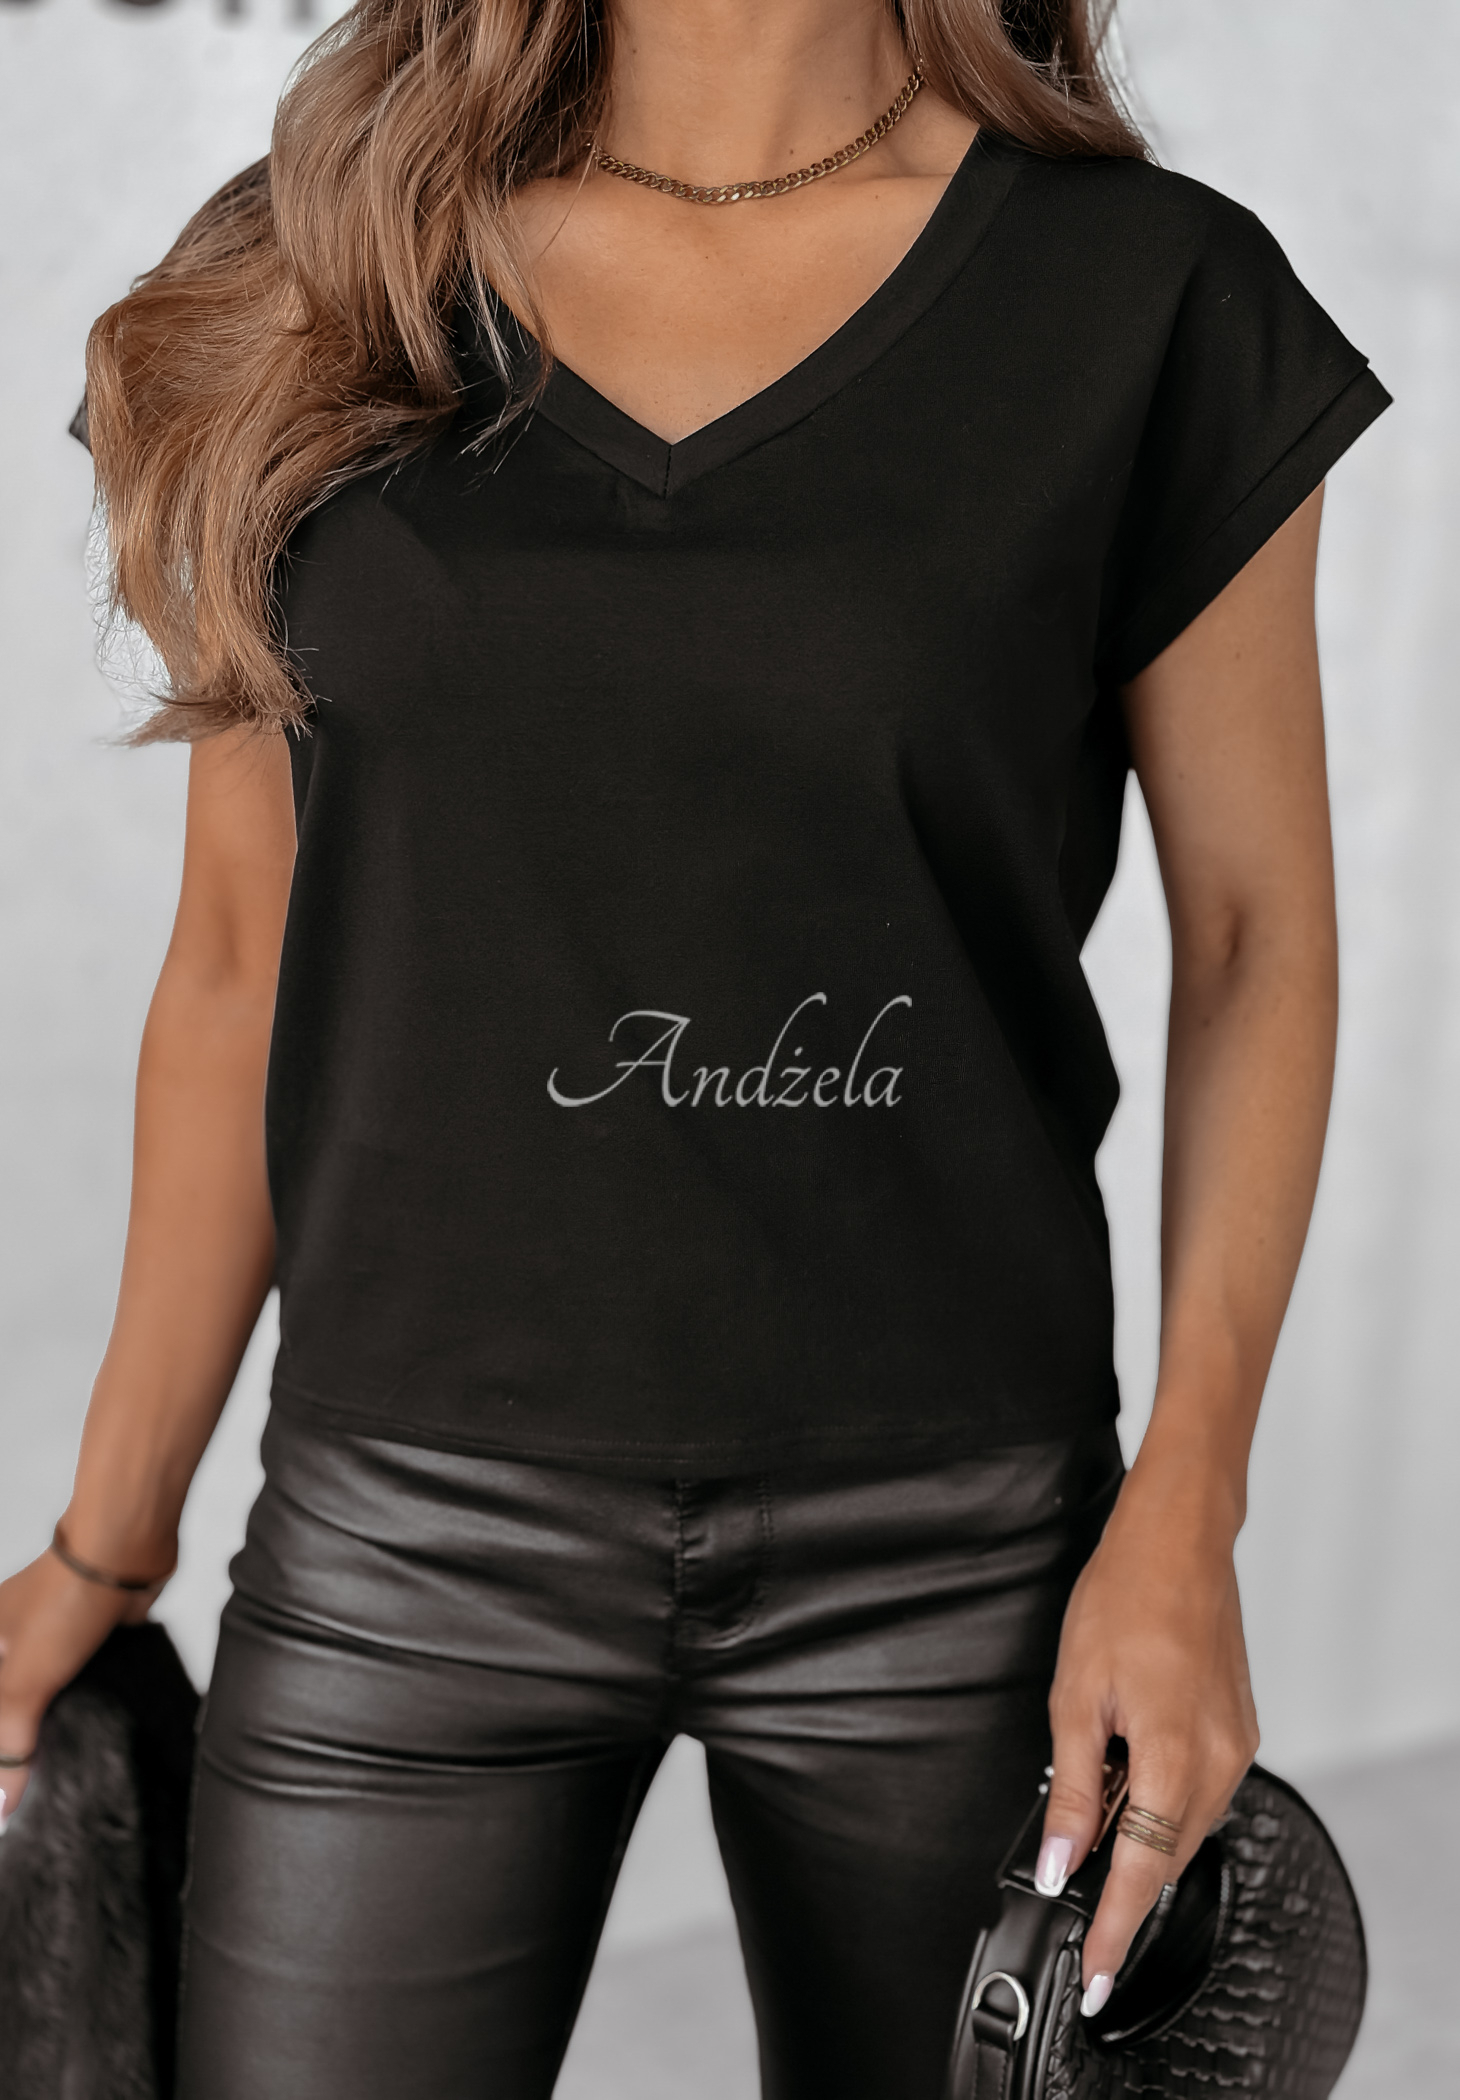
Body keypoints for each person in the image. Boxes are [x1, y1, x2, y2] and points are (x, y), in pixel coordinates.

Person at [0, 2, 1389, 2094]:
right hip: (404, 1542)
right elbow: (233, 961)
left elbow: (1256, 934)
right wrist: (105, 1548)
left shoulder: (1149, 299)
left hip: (962, 1557)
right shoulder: (327, 269)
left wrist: (1186, 1520)